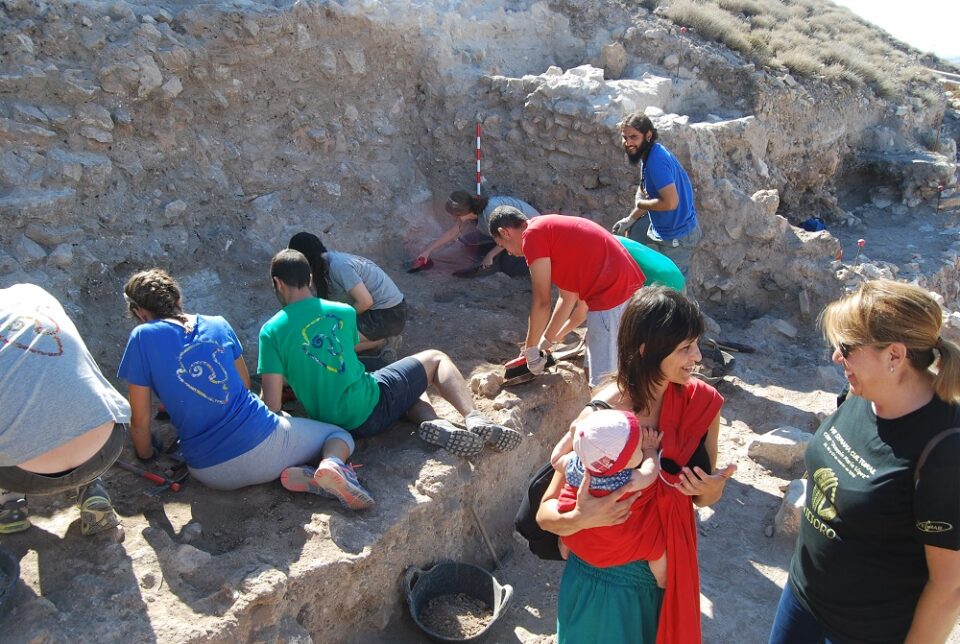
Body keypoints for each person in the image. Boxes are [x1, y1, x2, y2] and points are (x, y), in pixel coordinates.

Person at [536, 287, 737, 643]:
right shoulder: (604, 416)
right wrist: (579, 518)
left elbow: (701, 499)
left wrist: (712, 488)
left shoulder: (703, 405)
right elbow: (545, 515)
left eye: (696, 344)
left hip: (663, 577)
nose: (697, 357)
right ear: (646, 349)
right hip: (601, 582)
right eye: (685, 348)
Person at [768, 279, 960, 644]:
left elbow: (949, 585)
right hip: (801, 600)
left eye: (847, 348)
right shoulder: (859, 392)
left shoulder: (945, 450)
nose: (835, 358)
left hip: (863, 632)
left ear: (894, 356)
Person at [117, 269, 373, 510]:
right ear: (178, 298)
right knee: (338, 435)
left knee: (282, 426)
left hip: (208, 471)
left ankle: (304, 472)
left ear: (139, 312)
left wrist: (146, 455)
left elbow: (139, 420)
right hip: (264, 445)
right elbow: (244, 384)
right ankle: (330, 466)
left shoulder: (141, 338)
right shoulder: (217, 324)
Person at [258, 249, 521, 458]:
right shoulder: (343, 312)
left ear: (277, 283)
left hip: (337, 429)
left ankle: (434, 422)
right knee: (435, 358)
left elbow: (272, 406)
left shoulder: (270, 332)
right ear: (309, 279)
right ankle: (473, 417)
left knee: (404, 386)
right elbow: (344, 351)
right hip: (371, 406)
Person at [0, 283, 130, 536]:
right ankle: (93, 492)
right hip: (106, 448)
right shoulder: (33, 295)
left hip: (22, 475)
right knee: (78, 402)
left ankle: (10, 504)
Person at [488, 207, 645, 386]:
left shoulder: (532, 236)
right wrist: (546, 342)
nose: (508, 253)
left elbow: (542, 303)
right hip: (625, 291)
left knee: (603, 382)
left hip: (612, 296)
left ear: (505, 232)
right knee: (594, 370)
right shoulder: (549, 232)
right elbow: (567, 300)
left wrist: (530, 350)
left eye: (503, 246)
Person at [555, 409, 667, 587]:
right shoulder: (625, 480)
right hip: (613, 546)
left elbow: (555, 459)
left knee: (567, 510)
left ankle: (565, 545)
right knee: (657, 548)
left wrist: (572, 434)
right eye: (637, 447)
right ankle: (662, 581)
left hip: (577, 534)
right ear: (626, 462)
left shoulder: (574, 465)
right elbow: (651, 472)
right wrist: (650, 449)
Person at [288, 232, 406, 360]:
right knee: (324, 337)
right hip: (378, 311)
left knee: (329, 344)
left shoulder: (339, 266)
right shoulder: (324, 267)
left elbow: (365, 302)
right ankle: (374, 341)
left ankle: (385, 341)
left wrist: (337, 319)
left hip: (389, 315)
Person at [611, 112, 702, 275]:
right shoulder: (648, 154)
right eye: (625, 137)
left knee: (674, 285)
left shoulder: (656, 162)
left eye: (633, 137)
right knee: (634, 231)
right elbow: (644, 190)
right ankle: (635, 276)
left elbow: (670, 203)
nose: (628, 142)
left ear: (648, 135)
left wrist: (641, 204)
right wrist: (630, 219)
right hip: (662, 223)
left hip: (677, 235)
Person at [414, 191, 541, 277]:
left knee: (509, 267)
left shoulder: (491, 213)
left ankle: (537, 264)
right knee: (471, 243)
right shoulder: (474, 211)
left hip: (532, 235)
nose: (454, 218)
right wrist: (427, 251)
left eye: (455, 216)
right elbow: (453, 232)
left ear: (462, 213)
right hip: (507, 232)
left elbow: (509, 237)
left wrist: (490, 255)